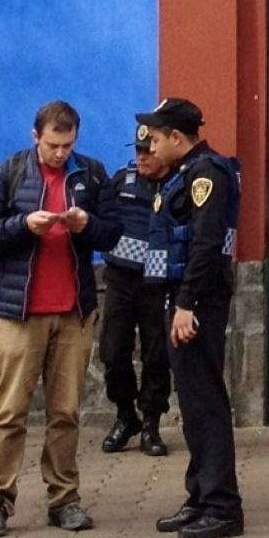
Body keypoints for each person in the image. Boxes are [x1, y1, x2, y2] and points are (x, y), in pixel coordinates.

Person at [0, 100, 120, 538]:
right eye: (53, 144)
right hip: (19, 314)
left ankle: (64, 499)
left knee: (66, 412)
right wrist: (21, 225)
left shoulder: (89, 173)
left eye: (67, 145)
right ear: (36, 136)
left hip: (73, 313)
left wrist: (85, 223)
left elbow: (113, 231)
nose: (60, 153)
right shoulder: (8, 172)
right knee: (10, 412)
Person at [140, 96, 245, 538]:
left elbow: (204, 245)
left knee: (205, 402)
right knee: (193, 404)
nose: (150, 146)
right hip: (182, 298)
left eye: (157, 138)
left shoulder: (207, 176)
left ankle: (222, 506)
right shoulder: (186, 173)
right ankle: (200, 495)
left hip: (197, 302)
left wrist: (186, 304)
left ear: (177, 138)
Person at [94, 124, 172, 458]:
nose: (140, 157)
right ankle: (126, 416)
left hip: (158, 284)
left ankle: (151, 423)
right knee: (112, 352)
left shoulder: (176, 185)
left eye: (147, 150)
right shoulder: (120, 180)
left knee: (157, 354)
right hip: (121, 280)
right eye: (137, 150)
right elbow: (102, 219)